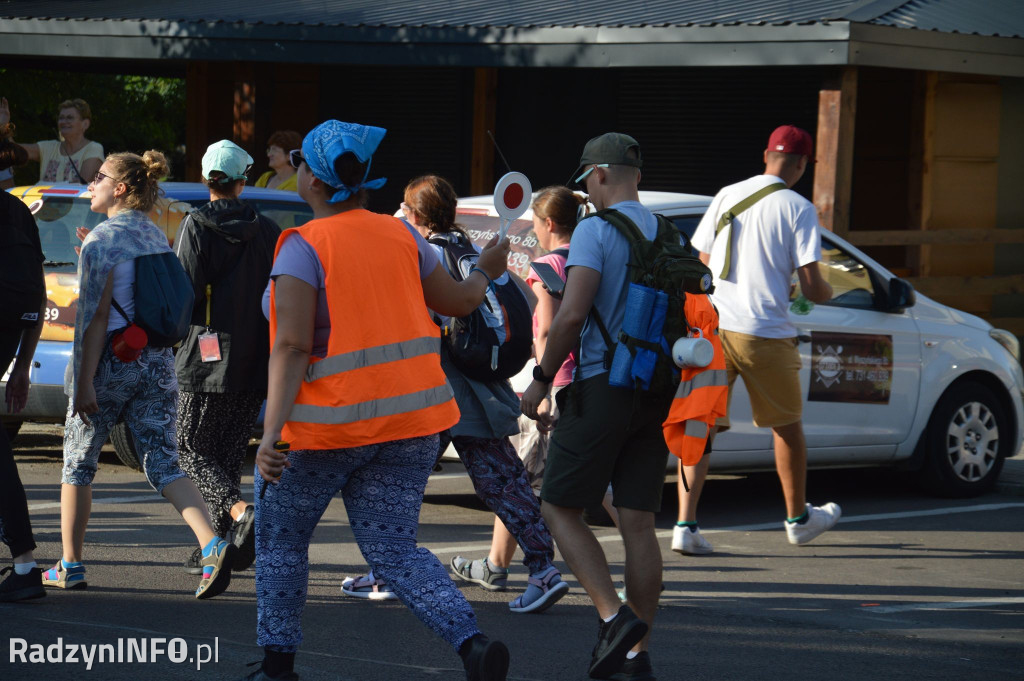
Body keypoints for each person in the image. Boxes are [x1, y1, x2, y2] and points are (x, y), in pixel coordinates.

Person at [247, 120, 512, 681]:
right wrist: (485, 271)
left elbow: (292, 346)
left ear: (313, 180)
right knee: (394, 550)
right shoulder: (404, 237)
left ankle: (278, 666)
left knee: (282, 543)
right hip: (410, 425)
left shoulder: (302, 246)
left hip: (321, 432)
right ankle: (472, 643)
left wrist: (270, 435)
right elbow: (461, 301)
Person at [342, 175, 568, 615]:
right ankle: (543, 570)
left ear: (416, 214)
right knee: (503, 481)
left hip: (436, 390)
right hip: (476, 389)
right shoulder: (469, 251)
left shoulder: (424, 255)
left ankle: (387, 572)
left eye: (405, 208)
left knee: (397, 482)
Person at [47, 149, 236, 599]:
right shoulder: (153, 233)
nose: (91, 183)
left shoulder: (103, 240)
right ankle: (212, 544)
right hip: (156, 361)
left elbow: (95, 318)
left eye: (99, 176)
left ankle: (69, 564)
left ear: (120, 188)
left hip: (111, 362)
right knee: (164, 461)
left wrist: (85, 382)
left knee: (78, 463)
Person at [520, 133, 672, 681]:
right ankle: (638, 654)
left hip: (601, 384)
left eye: (588, 179)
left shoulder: (595, 230)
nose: (588, 189)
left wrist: (541, 380)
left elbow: (572, 314)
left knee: (557, 507)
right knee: (638, 523)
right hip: (655, 385)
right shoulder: (669, 232)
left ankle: (614, 617)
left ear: (601, 173)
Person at [684, 124, 840, 550]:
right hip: (765, 332)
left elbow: (702, 261)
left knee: (701, 426)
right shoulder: (799, 208)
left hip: (715, 329)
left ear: (767, 155)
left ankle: (685, 525)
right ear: (803, 164)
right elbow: (812, 287)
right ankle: (798, 519)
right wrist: (828, 291)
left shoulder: (727, 194)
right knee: (787, 428)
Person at [174, 140, 281, 576]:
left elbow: (184, 291)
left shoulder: (196, 224)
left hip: (206, 357)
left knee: (186, 449)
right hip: (257, 356)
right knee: (226, 453)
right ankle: (218, 546)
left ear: (206, 178)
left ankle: (240, 513)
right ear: (243, 180)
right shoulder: (269, 229)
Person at [0, 137, 46, 602]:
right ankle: (24, 562)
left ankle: (25, 563)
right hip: (9, 334)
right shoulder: (17, 210)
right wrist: (21, 365)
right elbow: (38, 290)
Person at [0, 96, 103, 184]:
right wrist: (3, 125)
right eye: (61, 118)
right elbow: (14, 150)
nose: (64, 121)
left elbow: (81, 184)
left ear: (85, 124)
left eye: (70, 118)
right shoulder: (48, 148)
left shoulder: (93, 148)